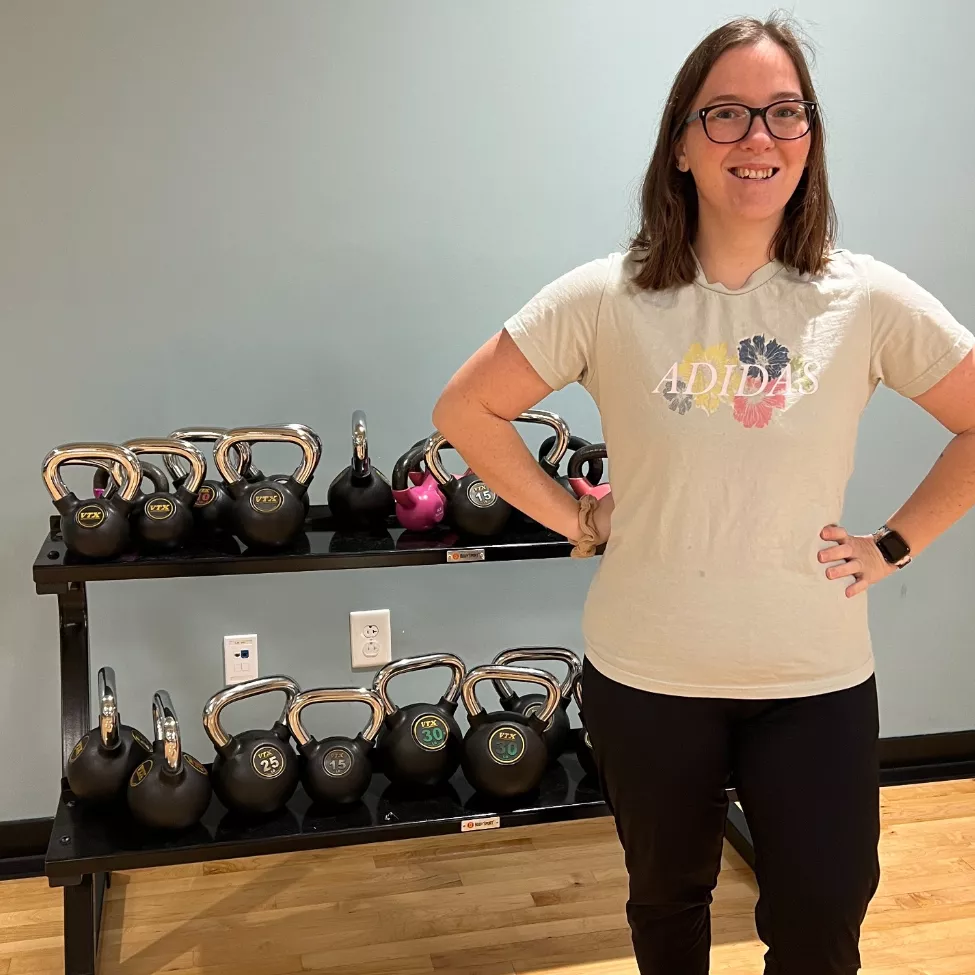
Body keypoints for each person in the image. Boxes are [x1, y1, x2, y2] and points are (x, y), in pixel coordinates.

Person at [431, 12, 975, 975]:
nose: (757, 137)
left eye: (783, 113)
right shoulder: (607, 296)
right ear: (680, 144)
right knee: (669, 905)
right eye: (725, 114)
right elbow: (467, 407)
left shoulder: (865, 298)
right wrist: (574, 517)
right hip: (648, 677)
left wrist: (892, 543)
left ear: (809, 140)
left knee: (822, 920)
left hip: (810, 681)